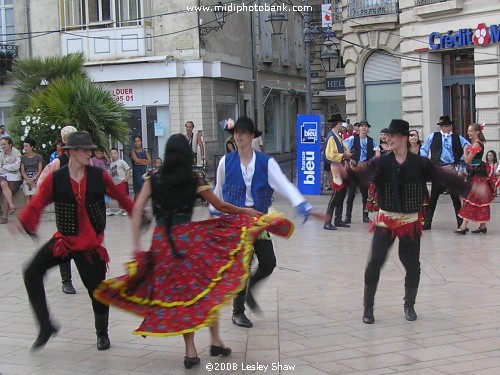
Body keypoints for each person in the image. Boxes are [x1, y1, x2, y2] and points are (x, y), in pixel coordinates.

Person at [94, 134, 289, 369]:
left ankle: (194, 349)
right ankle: (214, 340)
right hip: (191, 242)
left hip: (163, 245)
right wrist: (247, 213)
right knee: (208, 288)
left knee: (182, 296)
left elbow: (137, 209)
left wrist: (136, 246)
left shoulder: (153, 177)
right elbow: (221, 206)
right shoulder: (193, 178)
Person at [332, 119, 481, 325]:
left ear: (403, 138)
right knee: (375, 262)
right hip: (386, 220)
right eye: (387, 136)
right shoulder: (381, 162)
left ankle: (409, 304)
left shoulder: (420, 162)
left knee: (412, 265)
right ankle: (368, 307)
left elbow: (444, 177)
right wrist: (344, 175)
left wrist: (469, 188)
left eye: (392, 136)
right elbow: (360, 177)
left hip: (410, 222)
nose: (388, 139)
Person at [16, 131, 135, 352]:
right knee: (31, 271)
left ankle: (102, 333)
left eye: (90, 149)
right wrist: (25, 222)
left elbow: (119, 196)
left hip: (90, 246)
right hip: (64, 241)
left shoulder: (98, 176)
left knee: (97, 292)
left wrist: (137, 213)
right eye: (84, 150)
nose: (88, 153)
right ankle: (45, 325)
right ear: (70, 152)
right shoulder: (56, 178)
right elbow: (38, 202)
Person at [211, 116, 323, 329]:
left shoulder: (266, 162)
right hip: (235, 223)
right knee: (241, 266)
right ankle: (238, 311)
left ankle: (250, 289)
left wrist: (303, 205)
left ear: (252, 136)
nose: (239, 136)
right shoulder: (226, 162)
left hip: (259, 220)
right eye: (237, 133)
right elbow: (218, 189)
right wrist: (214, 212)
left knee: (268, 262)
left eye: (244, 132)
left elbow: (284, 185)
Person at [37, 126, 79, 295]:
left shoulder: (84, 159)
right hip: (65, 209)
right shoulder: (57, 162)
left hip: (82, 207)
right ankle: (66, 281)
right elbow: (42, 183)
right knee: (65, 243)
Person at [420, 116, 470, 230]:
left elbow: (468, 147)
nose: (448, 128)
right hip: (438, 168)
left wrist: (461, 159)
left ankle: (460, 223)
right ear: (441, 127)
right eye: (445, 126)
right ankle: (428, 222)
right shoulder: (434, 136)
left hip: (451, 168)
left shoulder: (458, 138)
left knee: (455, 197)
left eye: (449, 125)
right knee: (434, 197)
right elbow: (424, 149)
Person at [455, 124, 498, 234]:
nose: (468, 133)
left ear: (477, 132)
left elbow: (467, 160)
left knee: (470, 199)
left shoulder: (476, 145)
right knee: (479, 200)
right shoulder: (477, 144)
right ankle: (482, 226)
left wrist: (464, 151)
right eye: (468, 131)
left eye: (470, 131)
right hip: (476, 175)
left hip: (477, 177)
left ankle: (463, 226)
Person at [343, 120, 379, 224]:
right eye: (361, 126)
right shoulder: (352, 139)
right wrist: (350, 159)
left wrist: (368, 163)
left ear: (368, 128)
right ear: (358, 128)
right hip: (353, 170)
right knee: (351, 195)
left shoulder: (372, 141)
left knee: (365, 195)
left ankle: (365, 216)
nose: (363, 128)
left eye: (365, 126)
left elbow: (377, 155)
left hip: (364, 171)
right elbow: (344, 149)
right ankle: (348, 216)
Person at [323, 114, 352, 230]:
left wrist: (348, 154)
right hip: (336, 168)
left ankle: (338, 219)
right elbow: (329, 154)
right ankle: (327, 221)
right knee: (335, 195)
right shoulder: (331, 137)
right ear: (338, 123)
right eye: (341, 123)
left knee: (341, 194)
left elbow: (344, 149)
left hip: (341, 167)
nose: (342, 125)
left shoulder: (337, 136)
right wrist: (344, 155)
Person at [0, 136, 22, 224]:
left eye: (4, 144)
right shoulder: (1, 154)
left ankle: (5, 217)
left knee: (6, 193)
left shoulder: (16, 153)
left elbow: (16, 167)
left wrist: (5, 167)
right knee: (3, 184)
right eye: (1, 144)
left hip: (14, 176)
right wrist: (9, 167)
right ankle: (12, 206)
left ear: (10, 145)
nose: (2, 146)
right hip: (3, 175)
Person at [107, 147, 131, 216]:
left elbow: (128, 169)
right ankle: (121, 209)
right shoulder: (111, 164)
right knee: (118, 197)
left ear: (118, 154)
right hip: (115, 183)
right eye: (111, 154)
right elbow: (111, 174)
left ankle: (127, 210)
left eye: (115, 153)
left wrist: (126, 178)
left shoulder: (121, 162)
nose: (113, 155)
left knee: (124, 196)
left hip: (122, 182)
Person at [21, 138, 43, 206]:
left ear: (32, 147)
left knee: (34, 196)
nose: (25, 148)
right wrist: (28, 180)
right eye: (24, 146)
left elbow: (39, 170)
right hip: (26, 177)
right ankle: (28, 213)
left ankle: (34, 212)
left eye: (26, 146)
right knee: (27, 196)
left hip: (35, 177)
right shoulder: (23, 158)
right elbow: (23, 171)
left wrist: (33, 179)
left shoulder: (38, 157)